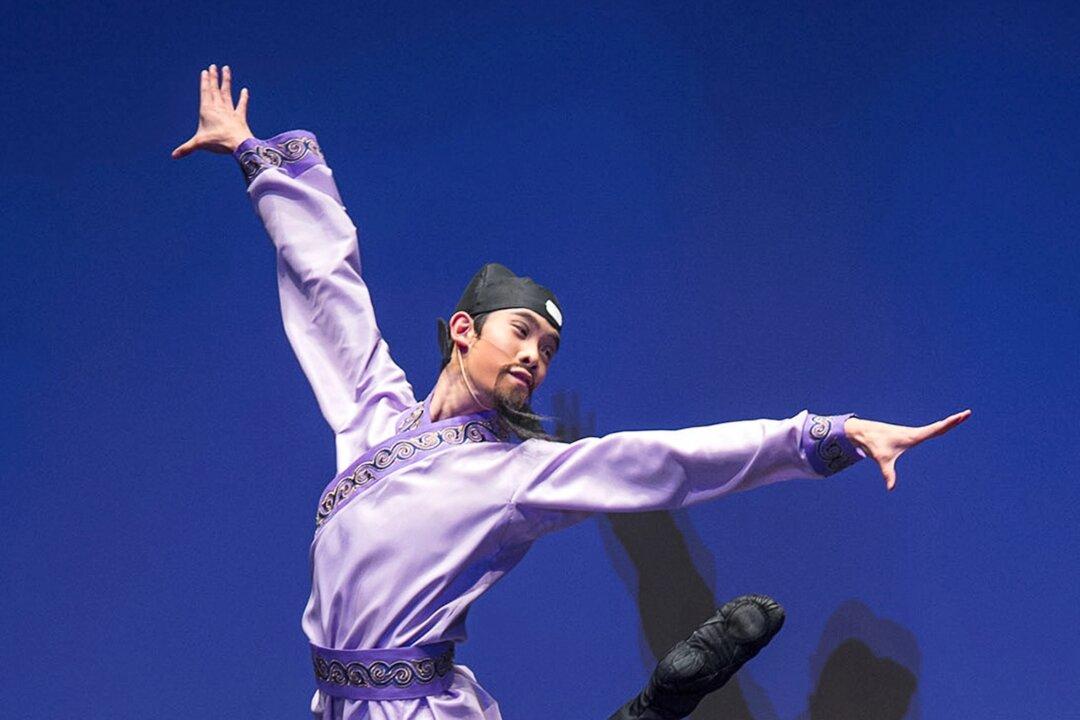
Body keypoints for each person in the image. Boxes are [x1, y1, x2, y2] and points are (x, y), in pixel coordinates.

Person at [173, 65, 971, 720]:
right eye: (519, 333)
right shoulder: (372, 414)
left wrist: (823, 433)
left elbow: (663, 462)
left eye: (548, 349)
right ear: (462, 330)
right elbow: (329, 287)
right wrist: (253, 152)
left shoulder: (515, 473)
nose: (534, 357)